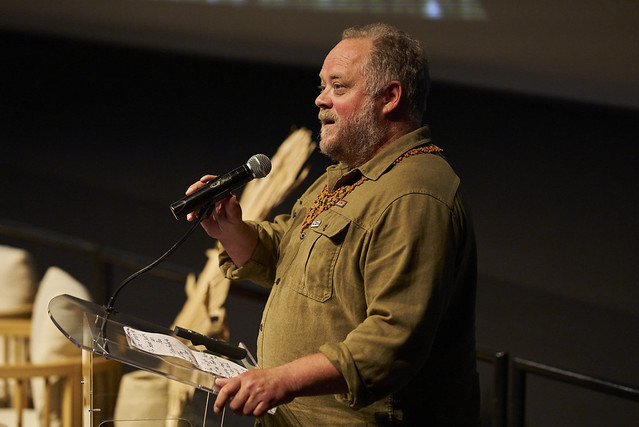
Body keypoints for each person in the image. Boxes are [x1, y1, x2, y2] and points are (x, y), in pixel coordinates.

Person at [186, 23, 480, 426]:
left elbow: (394, 339)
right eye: (323, 86)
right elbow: (289, 253)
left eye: (338, 87)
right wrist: (230, 229)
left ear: (390, 97)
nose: (321, 99)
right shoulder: (349, 174)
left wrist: (283, 379)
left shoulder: (414, 196)